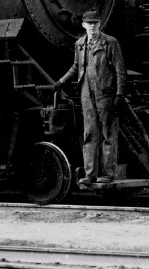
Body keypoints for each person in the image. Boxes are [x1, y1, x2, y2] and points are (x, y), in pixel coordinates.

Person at [52, 10, 127, 185]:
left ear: (99, 24)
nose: (92, 27)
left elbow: (120, 70)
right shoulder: (79, 44)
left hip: (105, 93)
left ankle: (108, 173)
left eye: (95, 23)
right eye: (89, 24)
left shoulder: (110, 42)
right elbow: (76, 66)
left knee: (108, 133)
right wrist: (61, 81)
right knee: (89, 133)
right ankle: (90, 174)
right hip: (86, 92)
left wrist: (119, 94)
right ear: (84, 25)